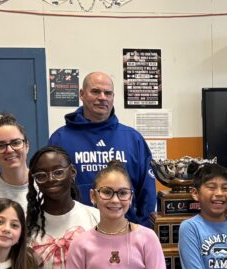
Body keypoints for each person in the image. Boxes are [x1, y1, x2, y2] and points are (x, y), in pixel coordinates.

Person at [47, 72, 156, 227]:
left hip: (125, 231)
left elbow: (147, 192)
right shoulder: (60, 139)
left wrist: (143, 230)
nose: (103, 97)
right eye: (96, 91)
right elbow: (52, 189)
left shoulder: (133, 139)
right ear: (82, 94)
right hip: (75, 232)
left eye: (108, 93)